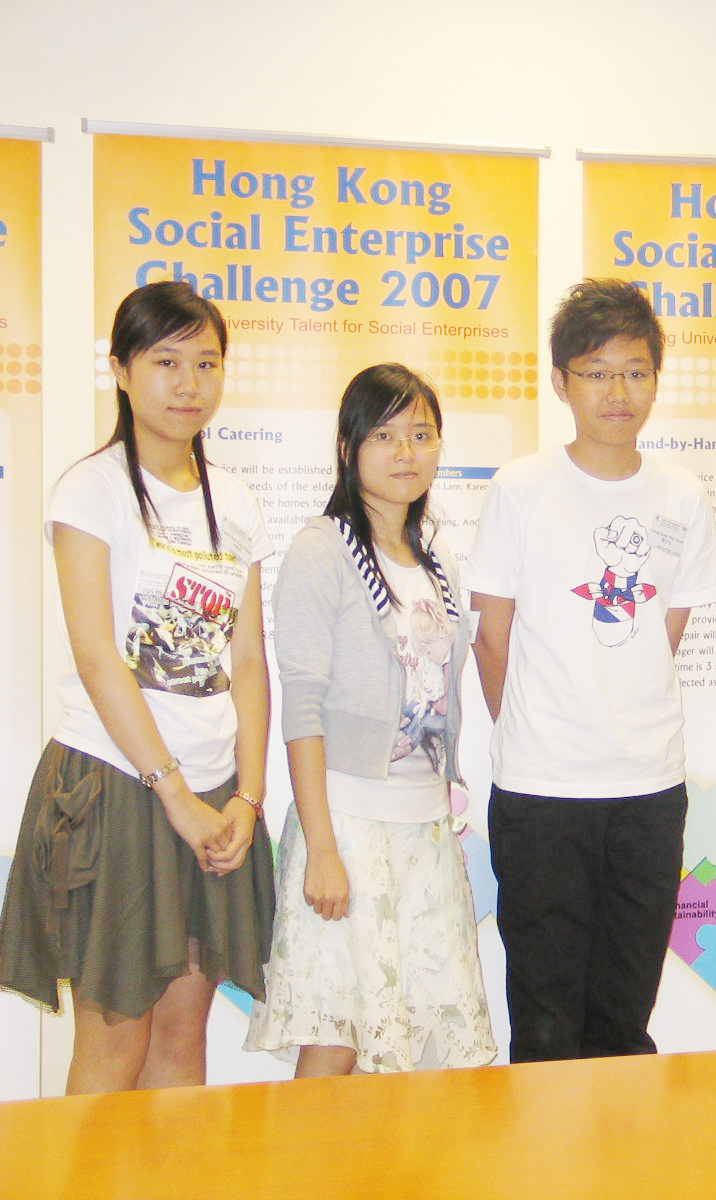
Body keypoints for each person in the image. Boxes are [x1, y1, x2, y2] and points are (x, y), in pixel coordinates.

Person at [0, 280, 274, 1092]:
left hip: (217, 796)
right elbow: (97, 657)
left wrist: (246, 799)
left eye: (206, 362)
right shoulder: (91, 489)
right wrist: (176, 794)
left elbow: (250, 660)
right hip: (119, 789)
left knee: (183, 1041)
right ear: (121, 371)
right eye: (165, 362)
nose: (189, 384)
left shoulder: (238, 498)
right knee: (116, 1041)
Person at [468, 279, 716, 1062]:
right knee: (545, 1020)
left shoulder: (682, 495)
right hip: (543, 792)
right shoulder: (521, 488)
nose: (619, 390)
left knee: (623, 1015)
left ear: (657, 378)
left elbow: (664, 633)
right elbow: (491, 636)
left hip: (649, 789)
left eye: (637, 370)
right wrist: (543, 731)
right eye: (597, 371)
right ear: (561, 382)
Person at [245, 364, 494, 1074]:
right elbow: (302, 704)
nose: (406, 452)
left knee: (415, 1036)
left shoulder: (439, 558)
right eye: (385, 435)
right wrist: (321, 848)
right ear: (349, 447)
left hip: (423, 829)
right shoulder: (320, 549)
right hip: (348, 825)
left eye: (421, 434)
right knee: (337, 1039)